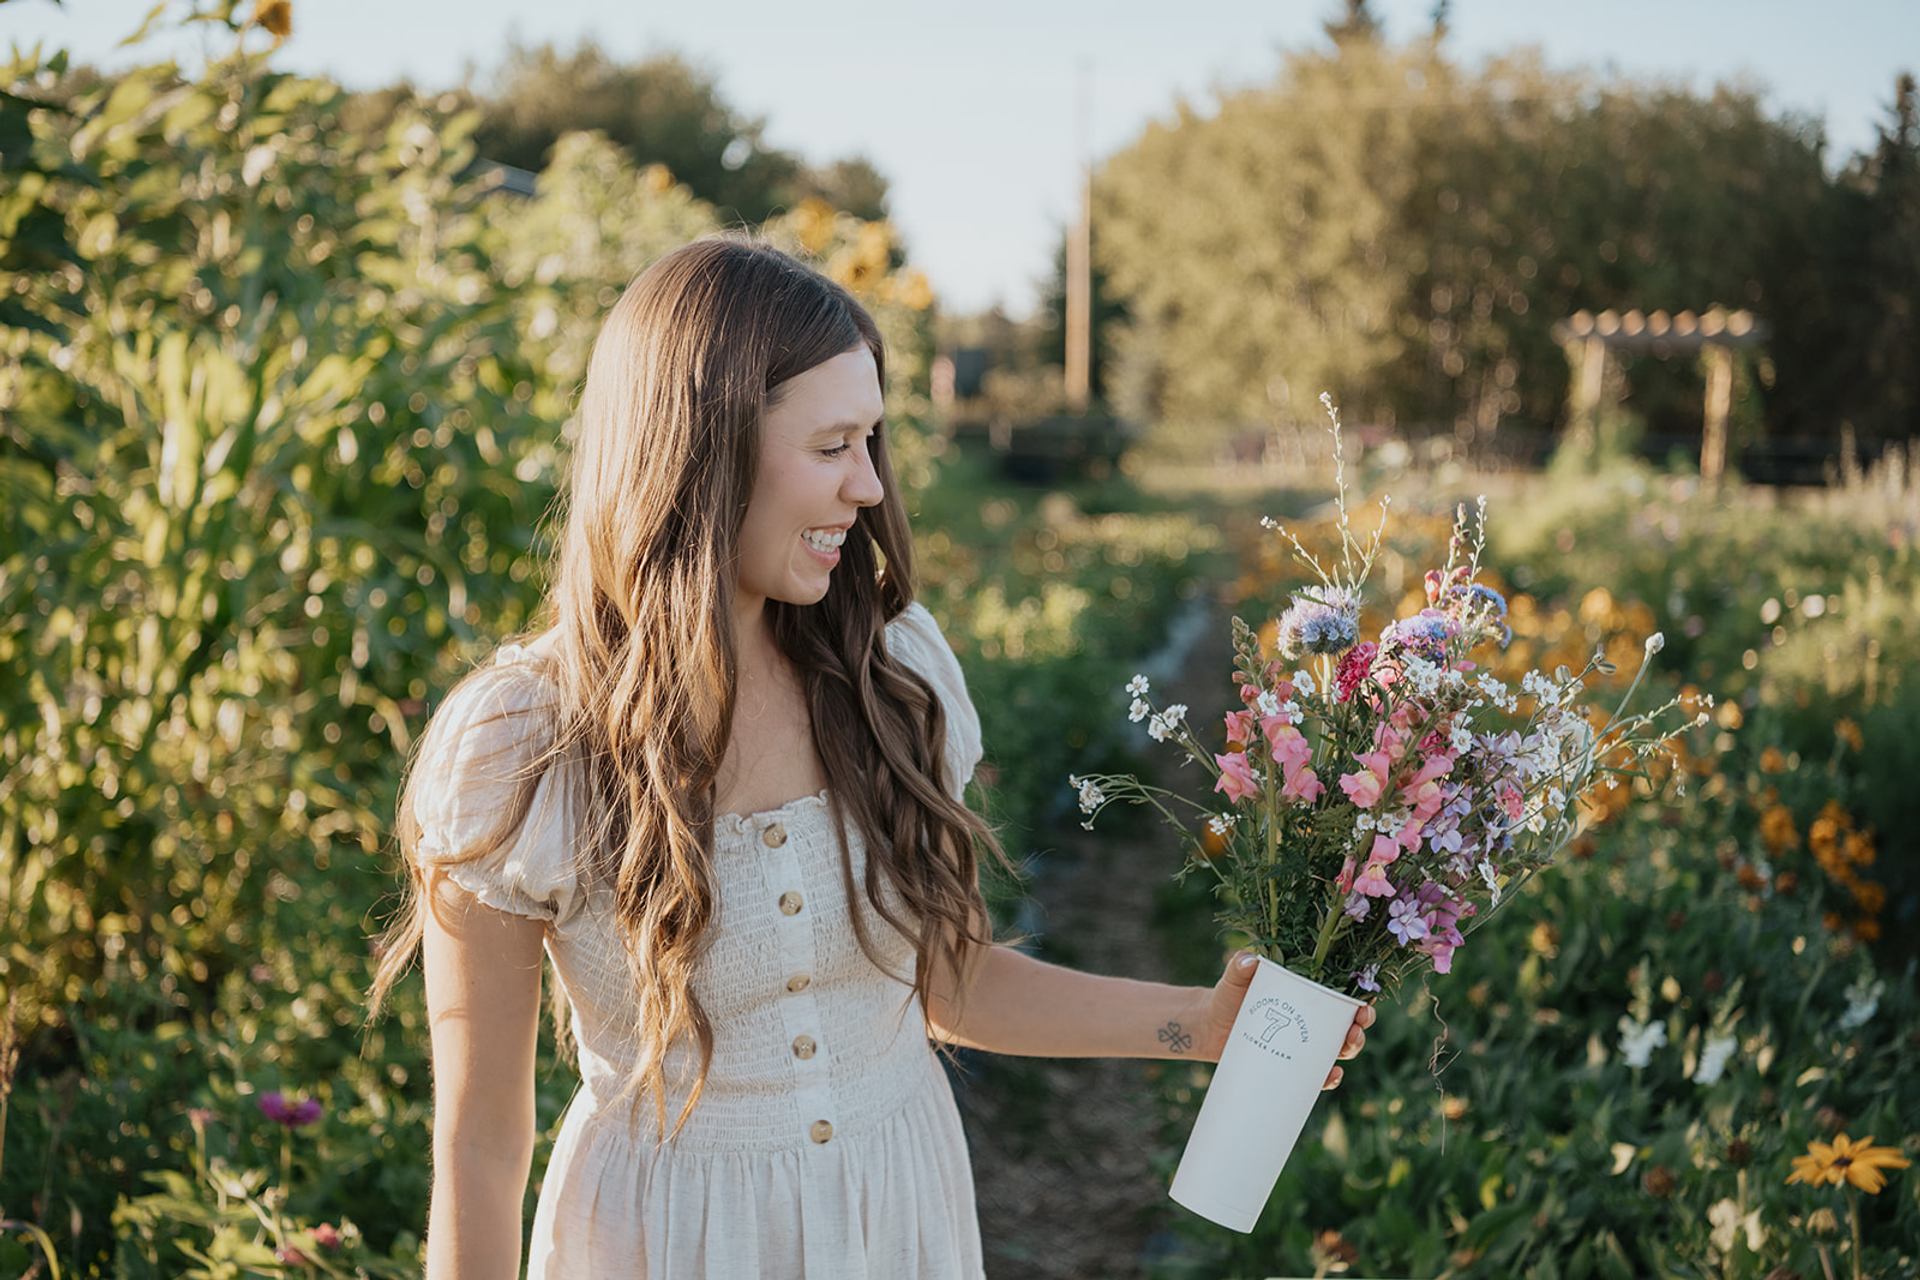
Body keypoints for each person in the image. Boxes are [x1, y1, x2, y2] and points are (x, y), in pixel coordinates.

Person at [364, 234, 1374, 1279]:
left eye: (873, 441)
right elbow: (479, 1145)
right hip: (666, 1238)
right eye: (833, 443)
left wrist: (1201, 1026)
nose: (866, 485)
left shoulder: (893, 672)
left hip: (897, 1214)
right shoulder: (523, 741)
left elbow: (952, 980)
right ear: (701, 451)